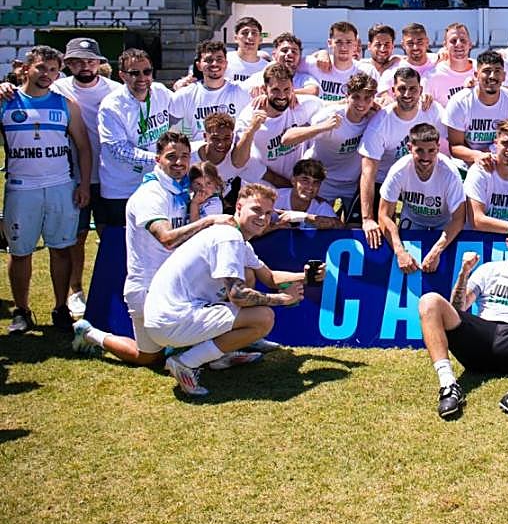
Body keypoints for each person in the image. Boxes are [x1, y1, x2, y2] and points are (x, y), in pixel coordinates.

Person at [72, 131, 231, 362]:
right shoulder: (150, 195)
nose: (179, 162)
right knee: (146, 357)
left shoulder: (182, 186)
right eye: (171, 156)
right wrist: (209, 221)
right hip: (147, 287)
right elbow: (167, 239)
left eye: (184, 156)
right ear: (157, 159)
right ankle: (90, 333)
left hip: (180, 283)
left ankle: (217, 347)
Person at [141, 183, 311, 397]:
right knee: (263, 317)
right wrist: (282, 299)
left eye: (268, 213)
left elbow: (269, 277)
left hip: (173, 315)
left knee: (249, 274)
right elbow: (238, 295)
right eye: (256, 210)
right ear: (239, 207)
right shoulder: (228, 237)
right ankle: (185, 362)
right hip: (171, 320)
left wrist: (307, 276)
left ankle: (219, 354)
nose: (263, 218)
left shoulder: (239, 240)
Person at [417, 218, 508, 424]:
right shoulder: (489, 269)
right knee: (429, 301)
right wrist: (464, 273)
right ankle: (448, 386)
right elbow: (458, 308)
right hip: (481, 337)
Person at [3, 46, 91, 334]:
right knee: (19, 252)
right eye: (41, 68)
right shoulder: (6, 102)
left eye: (54, 70)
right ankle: (22, 310)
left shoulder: (67, 105)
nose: (47, 75)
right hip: (20, 188)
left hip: (59, 187)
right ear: (26, 67)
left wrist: (84, 184)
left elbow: (83, 147)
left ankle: (60, 308)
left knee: (62, 249)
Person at [51, 36, 120, 316]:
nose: (85, 66)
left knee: (110, 235)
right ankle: (75, 290)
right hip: (72, 176)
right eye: (78, 61)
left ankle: (110, 288)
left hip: (109, 177)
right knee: (76, 237)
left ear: (99, 63)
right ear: (68, 64)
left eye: (90, 60)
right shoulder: (57, 88)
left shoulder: (114, 90)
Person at [358, 67, 446, 247]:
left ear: (421, 90)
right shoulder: (380, 124)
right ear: (393, 91)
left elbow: (449, 147)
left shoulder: (433, 110)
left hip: (421, 176)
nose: (407, 94)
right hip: (385, 179)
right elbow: (368, 173)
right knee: (371, 227)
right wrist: (367, 218)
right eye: (402, 89)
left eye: (413, 89)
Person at [95, 48, 175, 229]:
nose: (142, 78)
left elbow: (180, 110)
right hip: (122, 188)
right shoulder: (111, 106)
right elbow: (120, 150)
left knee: (156, 240)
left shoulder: (160, 92)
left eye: (147, 72)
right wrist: (161, 160)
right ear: (122, 75)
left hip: (156, 181)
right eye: (134, 73)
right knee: (121, 244)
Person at [282, 74, 378, 218]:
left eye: (367, 98)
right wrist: (322, 127)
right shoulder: (330, 116)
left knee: (354, 228)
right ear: (347, 95)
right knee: (316, 226)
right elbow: (286, 139)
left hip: (352, 182)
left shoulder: (375, 116)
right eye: (356, 97)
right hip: (322, 181)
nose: (361, 104)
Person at [377, 123, 466, 274]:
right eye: (420, 151)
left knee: (441, 267)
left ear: (438, 147)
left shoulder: (450, 173)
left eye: (431, 151)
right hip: (412, 220)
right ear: (409, 148)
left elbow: (458, 219)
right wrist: (400, 251)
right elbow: (384, 214)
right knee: (406, 268)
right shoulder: (399, 170)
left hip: (444, 223)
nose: (426, 157)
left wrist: (436, 251)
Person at [231, 63, 325, 189]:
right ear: (264, 89)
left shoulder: (301, 105)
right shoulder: (249, 117)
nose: (281, 96)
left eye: (286, 89)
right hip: (259, 191)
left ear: (293, 88)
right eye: (275, 90)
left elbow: (332, 107)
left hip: (291, 191)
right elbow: (238, 162)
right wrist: (251, 130)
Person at [444, 50, 508, 167]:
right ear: (476, 75)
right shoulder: (459, 101)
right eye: (487, 71)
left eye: (497, 71)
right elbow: (455, 146)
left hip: (501, 162)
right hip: (467, 165)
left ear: (504, 76)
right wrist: (477, 156)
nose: (492, 76)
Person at [169, 40, 250, 142]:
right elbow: (168, 129)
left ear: (226, 63)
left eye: (219, 59)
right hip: (201, 156)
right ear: (199, 65)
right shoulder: (185, 95)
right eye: (208, 60)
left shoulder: (242, 91)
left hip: (233, 155)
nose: (214, 64)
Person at [193, 111, 265, 211]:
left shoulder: (237, 158)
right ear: (205, 136)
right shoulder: (188, 155)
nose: (221, 144)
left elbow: (270, 177)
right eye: (215, 138)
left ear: (232, 136)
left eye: (226, 138)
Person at [269, 158, 342, 230]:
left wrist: (304, 217)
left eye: (316, 182)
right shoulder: (274, 198)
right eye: (305, 180)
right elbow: (257, 224)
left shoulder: (321, 206)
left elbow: (340, 227)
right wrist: (276, 227)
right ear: (293, 180)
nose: (310, 187)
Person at [304, 21, 362, 102]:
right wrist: (320, 53)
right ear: (329, 43)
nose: (343, 47)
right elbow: (290, 65)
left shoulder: (366, 71)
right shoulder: (313, 64)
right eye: (338, 42)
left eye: (349, 42)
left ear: (355, 44)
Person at [425, 23, 476, 105]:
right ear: (445, 45)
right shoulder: (431, 77)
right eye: (453, 41)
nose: (459, 44)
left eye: (463, 40)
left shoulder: (481, 71)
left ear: (470, 44)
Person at [225, 17, 271, 83]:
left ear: (260, 39)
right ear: (236, 38)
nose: (250, 37)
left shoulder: (267, 69)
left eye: (254, 33)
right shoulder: (225, 61)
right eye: (245, 33)